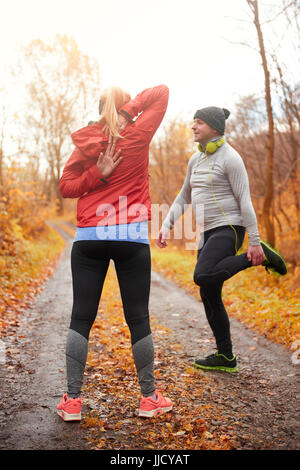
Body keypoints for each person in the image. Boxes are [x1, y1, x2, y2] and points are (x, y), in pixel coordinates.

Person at [57, 84, 172, 420]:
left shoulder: (88, 142)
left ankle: (73, 402)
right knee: (138, 317)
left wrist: (96, 173)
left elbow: (66, 186)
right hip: (131, 237)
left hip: (90, 235)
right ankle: (149, 398)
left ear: (98, 109)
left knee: (81, 316)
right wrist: (128, 113)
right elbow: (162, 92)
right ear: (126, 109)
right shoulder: (137, 135)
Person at [157, 106, 287, 373]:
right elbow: (184, 197)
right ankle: (226, 356)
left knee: (202, 275)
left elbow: (245, 200)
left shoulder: (231, 158)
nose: (193, 127)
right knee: (209, 292)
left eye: (199, 122)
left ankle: (257, 255)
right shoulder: (196, 160)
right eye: (193, 121)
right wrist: (166, 225)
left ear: (215, 128)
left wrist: (254, 239)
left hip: (230, 227)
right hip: (207, 232)